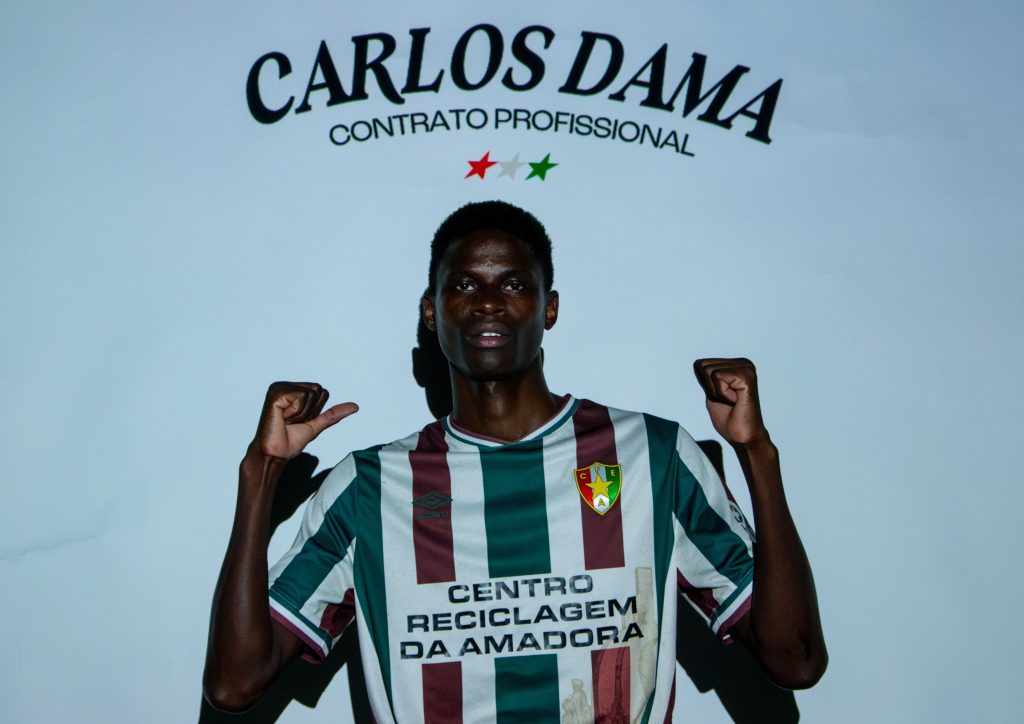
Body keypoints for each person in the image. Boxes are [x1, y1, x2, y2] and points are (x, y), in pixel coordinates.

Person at [203, 201, 827, 721]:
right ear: (432, 312)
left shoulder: (652, 454)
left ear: (549, 307)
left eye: (513, 284)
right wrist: (260, 474)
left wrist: (757, 454)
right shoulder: (371, 486)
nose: (487, 302)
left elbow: (794, 659)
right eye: (463, 285)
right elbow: (235, 684)